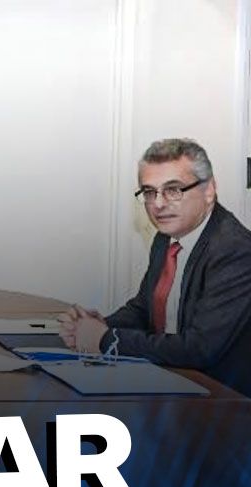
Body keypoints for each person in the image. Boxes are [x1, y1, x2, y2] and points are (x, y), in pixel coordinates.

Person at [59, 138, 251, 395]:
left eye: (173, 190)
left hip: (222, 400)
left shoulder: (235, 250)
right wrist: (98, 325)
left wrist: (106, 339)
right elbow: (143, 310)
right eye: (150, 192)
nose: (158, 204)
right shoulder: (165, 238)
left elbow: (198, 348)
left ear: (209, 191)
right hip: (171, 381)